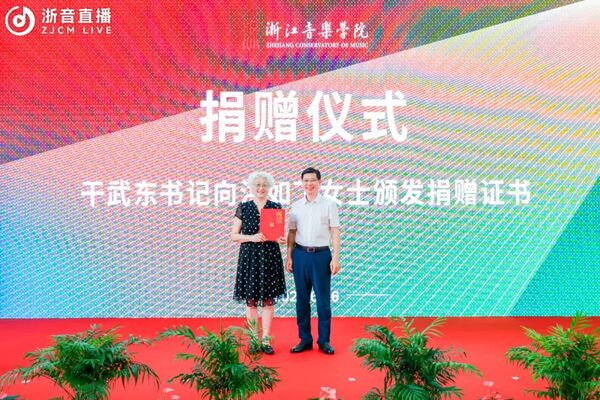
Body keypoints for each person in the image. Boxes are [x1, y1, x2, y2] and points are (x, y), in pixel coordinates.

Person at [287, 167, 341, 355]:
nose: (309, 184)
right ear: (302, 183)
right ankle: (305, 339)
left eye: (312, 180)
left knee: (323, 301)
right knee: (302, 301)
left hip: (321, 256)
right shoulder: (296, 206)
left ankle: (324, 340)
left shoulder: (329, 205)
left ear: (319, 182)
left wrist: (336, 258)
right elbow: (292, 232)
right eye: (306, 181)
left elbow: (335, 232)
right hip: (300, 255)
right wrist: (289, 256)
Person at [231, 171, 287, 355]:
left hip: (270, 256)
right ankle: (254, 339)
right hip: (250, 257)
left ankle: (266, 340)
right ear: (251, 187)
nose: (261, 188)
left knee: (269, 301)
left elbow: (278, 233)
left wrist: (281, 239)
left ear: (269, 187)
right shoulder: (244, 207)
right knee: (251, 301)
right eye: (258, 185)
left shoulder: (275, 207)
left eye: (264, 185)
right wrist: (252, 237)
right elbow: (234, 235)